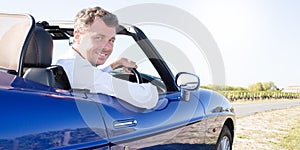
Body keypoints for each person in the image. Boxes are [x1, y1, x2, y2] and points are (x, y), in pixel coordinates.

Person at [56, 6, 158, 109]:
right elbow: (145, 97)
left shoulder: (67, 63)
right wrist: (157, 89)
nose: (107, 47)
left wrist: (115, 64)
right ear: (78, 36)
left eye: (111, 40)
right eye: (99, 38)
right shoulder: (80, 72)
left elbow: (96, 79)